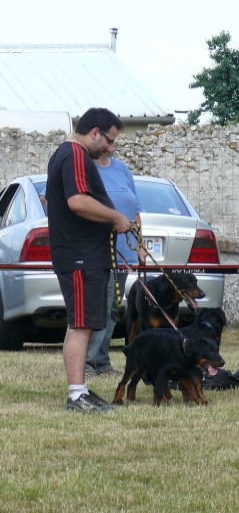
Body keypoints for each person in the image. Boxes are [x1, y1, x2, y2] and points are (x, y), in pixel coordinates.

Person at [46, 107, 132, 412]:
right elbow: (78, 201)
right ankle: (76, 395)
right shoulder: (75, 154)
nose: (110, 148)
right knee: (81, 325)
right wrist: (117, 217)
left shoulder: (70, 154)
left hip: (85, 255)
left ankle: (81, 389)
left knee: (82, 323)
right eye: (109, 140)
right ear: (95, 131)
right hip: (80, 256)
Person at [85, 140, 146, 378]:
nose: (112, 147)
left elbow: (136, 211)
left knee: (112, 308)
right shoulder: (85, 169)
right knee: (99, 307)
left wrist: (140, 244)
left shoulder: (122, 169)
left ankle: (102, 362)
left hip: (123, 253)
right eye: (108, 141)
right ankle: (88, 364)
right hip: (99, 252)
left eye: (114, 142)